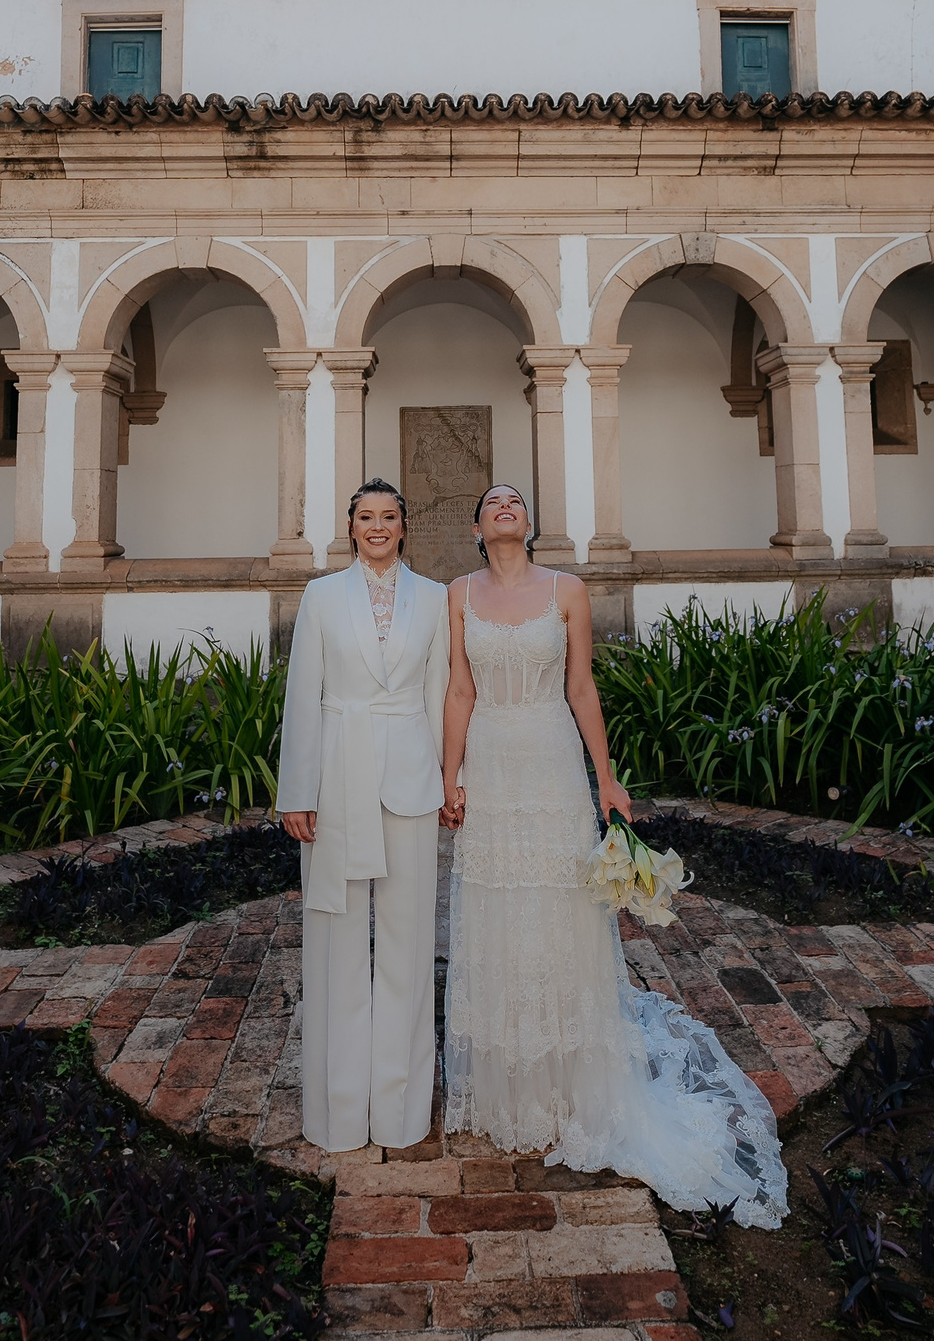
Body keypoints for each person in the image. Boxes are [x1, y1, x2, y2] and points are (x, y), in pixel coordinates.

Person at [438, 483, 787, 1225]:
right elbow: (459, 690)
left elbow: (582, 685)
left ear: (528, 524)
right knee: (499, 906)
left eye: (516, 501)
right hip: (491, 766)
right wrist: (450, 774)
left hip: (553, 760)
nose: (506, 506)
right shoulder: (457, 594)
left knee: (561, 908)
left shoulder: (568, 589)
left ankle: (573, 1081)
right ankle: (512, 1084)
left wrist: (607, 777)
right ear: (476, 527)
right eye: (493, 502)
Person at [276, 479, 451, 1152]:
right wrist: (298, 791)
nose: (377, 527)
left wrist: (448, 781)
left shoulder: (435, 599)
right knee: (336, 945)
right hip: (336, 778)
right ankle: (338, 1112)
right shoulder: (321, 596)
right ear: (350, 527)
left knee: (408, 946)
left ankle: (403, 1111)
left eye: (389, 517)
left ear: (405, 526)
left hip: (409, 782)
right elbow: (303, 695)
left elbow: (439, 696)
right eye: (365, 517)